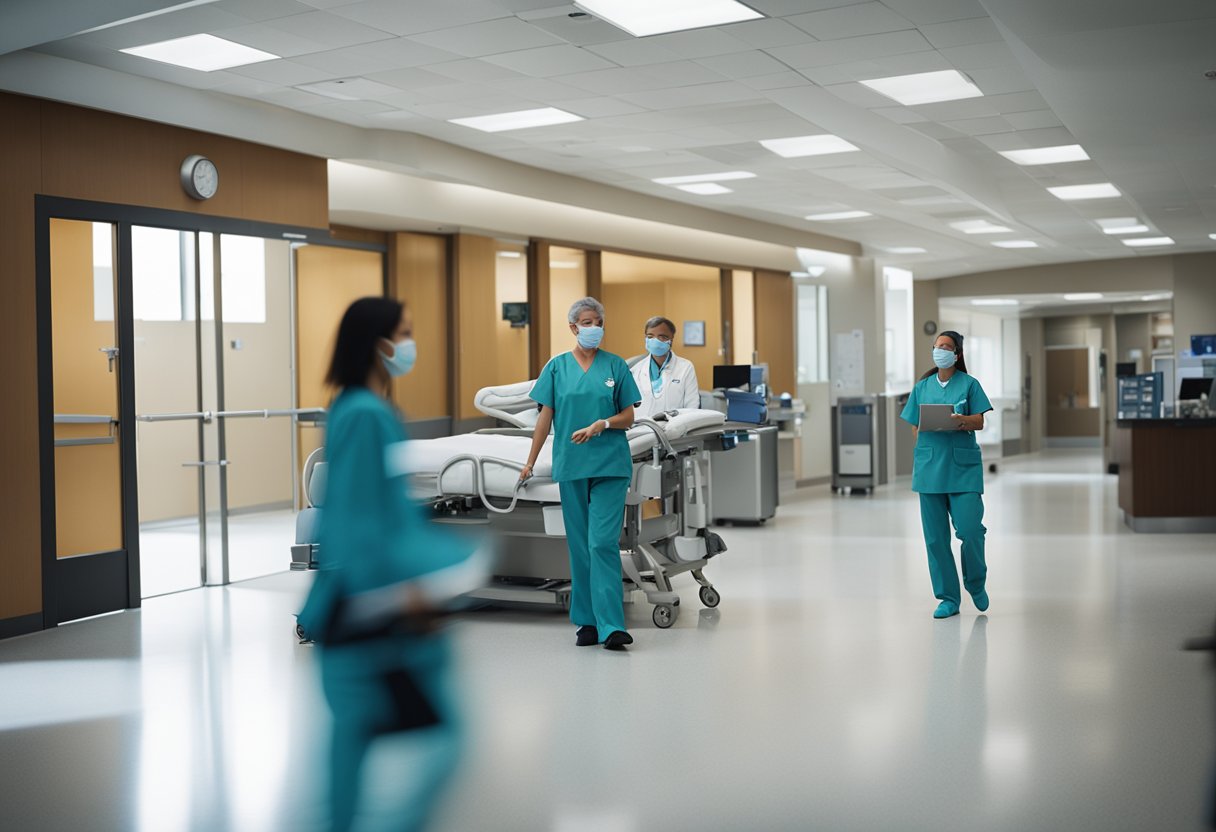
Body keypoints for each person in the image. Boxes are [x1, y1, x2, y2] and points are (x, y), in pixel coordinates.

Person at [297, 297, 466, 832]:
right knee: (442, 742)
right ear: (378, 341)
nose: (410, 343)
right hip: (369, 604)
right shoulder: (370, 414)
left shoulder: (348, 406)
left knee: (350, 744)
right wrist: (411, 591)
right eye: (406, 332)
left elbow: (353, 515)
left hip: (343, 601)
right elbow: (364, 521)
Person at [520, 297, 642, 650]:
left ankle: (611, 625)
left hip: (610, 465)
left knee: (601, 542)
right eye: (586, 322)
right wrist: (530, 461)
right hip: (572, 465)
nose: (594, 328)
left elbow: (629, 416)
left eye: (598, 322)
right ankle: (586, 621)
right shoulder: (556, 368)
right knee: (579, 547)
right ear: (573, 327)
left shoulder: (615, 367)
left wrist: (602, 424)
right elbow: (545, 418)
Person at [899, 330, 993, 620]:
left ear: (957, 354)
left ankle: (975, 583)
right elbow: (914, 425)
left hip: (962, 469)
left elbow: (979, 421)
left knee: (971, 530)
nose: (939, 350)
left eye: (946, 346)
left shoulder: (969, 385)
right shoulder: (922, 387)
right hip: (930, 469)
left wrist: (960, 421)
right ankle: (948, 598)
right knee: (936, 540)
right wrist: (932, 425)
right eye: (936, 346)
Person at [629, 315, 700, 419]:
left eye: (662, 336)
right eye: (650, 336)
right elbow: (629, 408)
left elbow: (692, 407)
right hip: (644, 429)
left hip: (676, 429)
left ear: (671, 339)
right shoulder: (635, 370)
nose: (656, 340)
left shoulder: (686, 367)